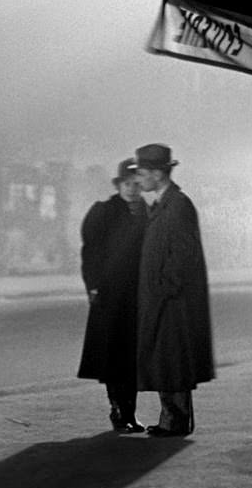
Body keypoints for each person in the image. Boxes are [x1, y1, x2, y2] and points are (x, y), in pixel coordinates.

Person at [132, 143, 214, 436]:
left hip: (172, 302)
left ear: (157, 173)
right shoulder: (164, 204)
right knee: (164, 359)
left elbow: (182, 255)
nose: (139, 180)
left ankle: (176, 420)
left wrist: (163, 288)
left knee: (172, 361)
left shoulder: (178, 205)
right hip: (162, 299)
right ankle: (170, 418)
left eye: (142, 174)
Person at [77, 159, 146, 432]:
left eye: (137, 185)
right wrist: (93, 286)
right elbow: (90, 253)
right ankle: (118, 410)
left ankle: (130, 412)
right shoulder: (103, 212)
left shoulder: (147, 214)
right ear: (119, 185)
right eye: (127, 184)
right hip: (109, 295)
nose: (132, 189)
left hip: (137, 296)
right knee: (113, 355)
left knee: (133, 357)